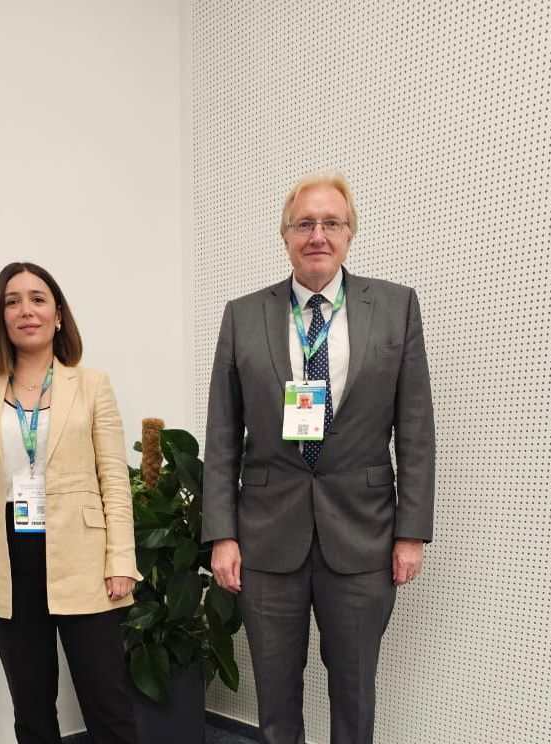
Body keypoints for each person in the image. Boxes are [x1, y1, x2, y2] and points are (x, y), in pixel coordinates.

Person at [202, 172, 435, 744]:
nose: (317, 235)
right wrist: (222, 536)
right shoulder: (243, 315)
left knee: (354, 694)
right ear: (285, 236)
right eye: (304, 224)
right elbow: (223, 434)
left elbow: (415, 431)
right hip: (266, 538)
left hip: (362, 535)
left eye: (332, 223)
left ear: (350, 233)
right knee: (276, 698)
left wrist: (411, 534)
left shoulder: (396, 308)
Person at [0, 262, 140, 744]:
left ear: (58, 315)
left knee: (108, 703)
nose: (25, 310)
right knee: (31, 707)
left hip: (82, 554)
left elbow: (114, 480)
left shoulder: (91, 384)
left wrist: (121, 559)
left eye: (37, 299)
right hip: (8, 556)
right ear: (1, 317)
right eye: (12, 301)